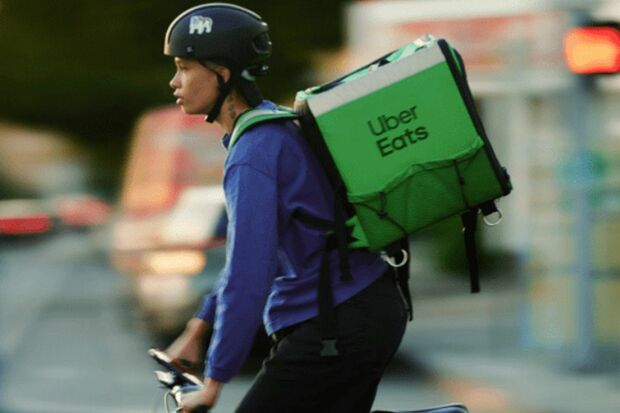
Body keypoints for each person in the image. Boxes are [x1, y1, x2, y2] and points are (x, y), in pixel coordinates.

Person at [163, 4, 408, 412]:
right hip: (358, 310)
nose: (174, 81)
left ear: (221, 74)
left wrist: (213, 381)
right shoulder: (272, 128)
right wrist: (197, 330)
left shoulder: (253, 153)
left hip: (337, 322)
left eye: (185, 68)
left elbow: (248, 275)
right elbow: (245, 260)